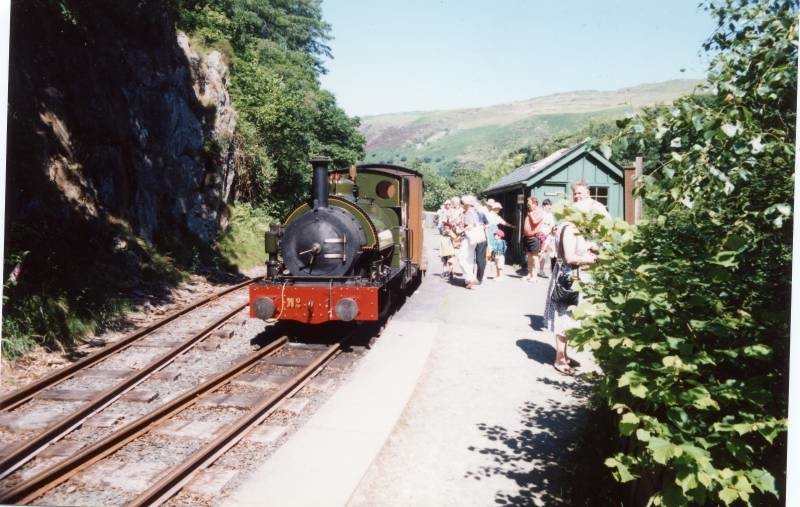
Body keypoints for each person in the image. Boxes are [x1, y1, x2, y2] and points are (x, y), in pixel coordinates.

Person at [543, 187, 600, 375]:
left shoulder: (574, 227)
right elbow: (570, 257)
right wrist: (592, 259)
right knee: (563, 318)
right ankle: (559, 359)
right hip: (568, 278)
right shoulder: (569, 227)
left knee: (569, 318)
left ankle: (564, 355)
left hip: (573, 276)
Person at [458, 195, 483, 289]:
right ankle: (468, 281)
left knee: (461, 258)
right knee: (469, 258)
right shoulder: (474, 211)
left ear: (466, 204)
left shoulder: (469, 212)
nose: (461, 205)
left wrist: (461, 230)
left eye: (462, 203)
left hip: (469, 238)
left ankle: (471, 278)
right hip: (475, 239)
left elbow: (470, 226)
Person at [522, 197, 545, 281]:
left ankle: (535, 277)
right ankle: (530, 274)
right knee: (529, 257)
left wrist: (530, 214)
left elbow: (535, 221)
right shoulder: (530, 211)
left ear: (535, 204)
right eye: (527, 205)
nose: (528, 206)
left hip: (534, 237)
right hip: (527, 237)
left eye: (529, 204)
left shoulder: (540, 212)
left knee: (535, 257)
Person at [539, 199, 557, 276]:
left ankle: (541, 270)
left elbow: (552, 225)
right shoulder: (540, 213)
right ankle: (536, 270)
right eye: (548, 207)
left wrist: (551, 234)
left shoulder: (550, 215)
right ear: (544, 206)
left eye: (550, 207)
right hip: (539, 234)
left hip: (547, 235)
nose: (549, 208)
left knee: (545, 253)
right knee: (539, 253)